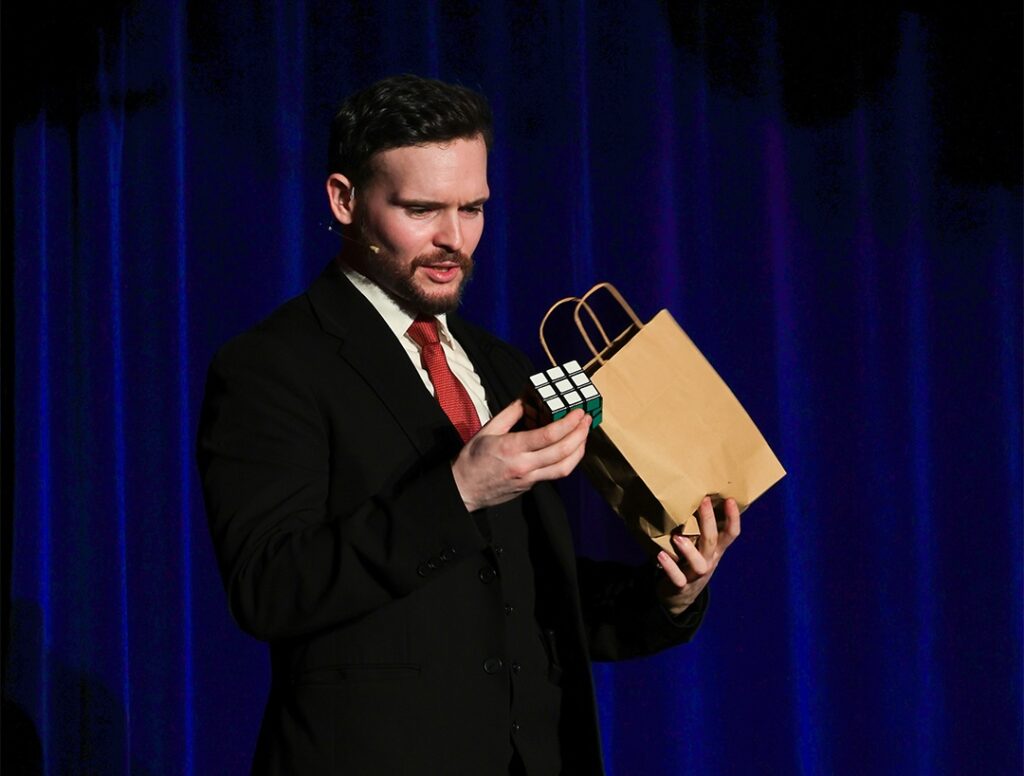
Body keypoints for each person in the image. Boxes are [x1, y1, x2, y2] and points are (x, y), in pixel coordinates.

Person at [197, 74, 741, 776]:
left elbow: (532, 598)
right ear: (344, 200)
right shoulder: (273, 364)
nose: (454, 239)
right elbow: (269, 589)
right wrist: (457, 492)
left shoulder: (500, 364)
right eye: (421, 209)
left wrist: (669, 594)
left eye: (473, 208)